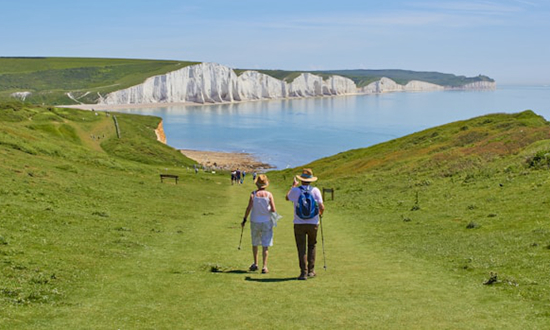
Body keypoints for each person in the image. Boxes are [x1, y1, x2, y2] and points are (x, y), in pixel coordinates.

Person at [286, 168, 325, 280]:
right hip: (313, 222)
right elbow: (322, 207)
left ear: (301, 180)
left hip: (299, 222)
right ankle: (311, 271)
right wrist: (320, 214)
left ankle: (303, 272)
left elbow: (287, 197)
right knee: (312, 245)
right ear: (311, 180)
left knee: (301, 247)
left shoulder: (296, 191)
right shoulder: (315, 191)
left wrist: (293, 186)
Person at [242, 174, 277, 274]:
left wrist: (244, 219)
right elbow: (273, 209)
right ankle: (264, 266)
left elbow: (248, 208)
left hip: (255, 221)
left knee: (255, 242)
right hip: (266, 221)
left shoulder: (253, 194)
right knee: (265, 244)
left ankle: (255, 263)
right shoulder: (269, 195)